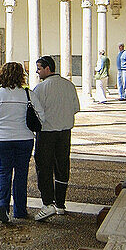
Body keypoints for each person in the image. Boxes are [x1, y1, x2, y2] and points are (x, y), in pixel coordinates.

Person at [31, 54, 81, 220]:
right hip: (65, 132)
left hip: (46, 134)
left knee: (44, 167)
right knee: (62, 166)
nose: (37, 72)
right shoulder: (69, 85)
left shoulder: (41, 88)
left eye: (39, 68)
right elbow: (75, 108)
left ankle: (48, 203)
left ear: (47, 68)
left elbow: (37, 112)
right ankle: (60, 203)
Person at [0, 61, 35, 224]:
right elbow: (40, 115)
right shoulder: (28, 94)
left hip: (4, 139)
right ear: (21, 75)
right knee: (21, 174)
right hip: (25, 139)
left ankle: (2, 204)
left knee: (4, 172)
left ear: (2, 75)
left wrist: (0, 129)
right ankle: (20, 210)